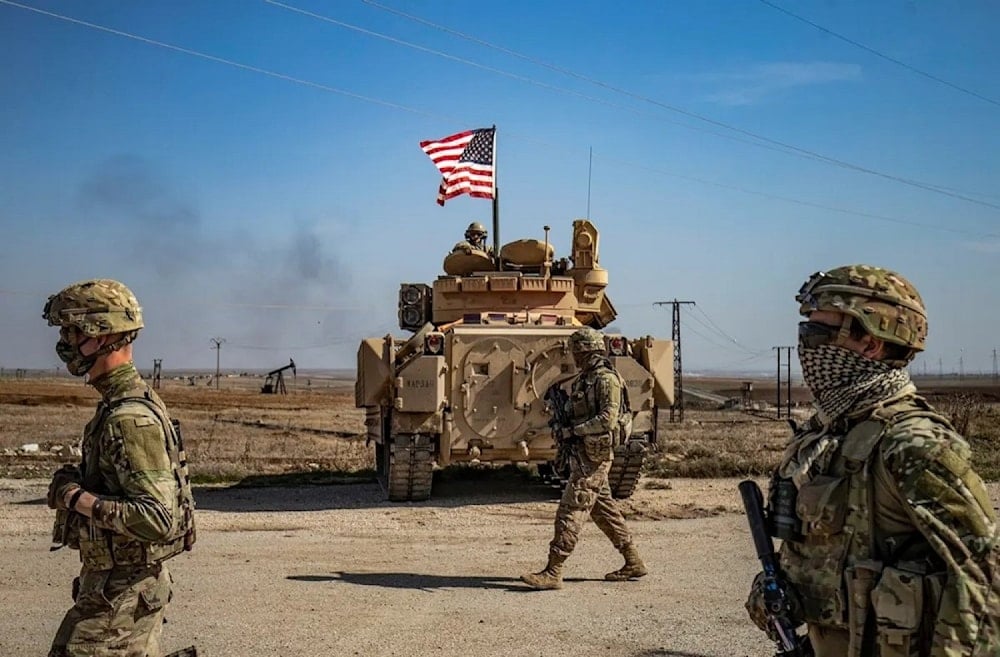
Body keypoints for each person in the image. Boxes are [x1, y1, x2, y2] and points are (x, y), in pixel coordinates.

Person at [746, 265, 999, 657]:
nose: (806, 348)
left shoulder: (913, 443)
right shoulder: (833, 432)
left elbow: (985, 572)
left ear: (871, 343)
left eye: (817, 334)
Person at [43, 279, 196, 657]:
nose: (65, 342)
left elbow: (158, 518)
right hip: (114, 589)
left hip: (122, 597)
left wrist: (74, 497)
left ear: (102, 335)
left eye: (72, 330)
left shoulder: (129, 417)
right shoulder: (119, 403)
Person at [521, 327, 646, 590]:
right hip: (584, 451)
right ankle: (633, 560)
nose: (574, 357)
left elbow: (607, 420)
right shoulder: (585, 378)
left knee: (573, 506)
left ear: (585, 351)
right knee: (603, 510)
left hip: (595, 454)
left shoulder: (605, 380)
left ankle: (554, 570)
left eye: (577, 351)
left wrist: (573, 431)